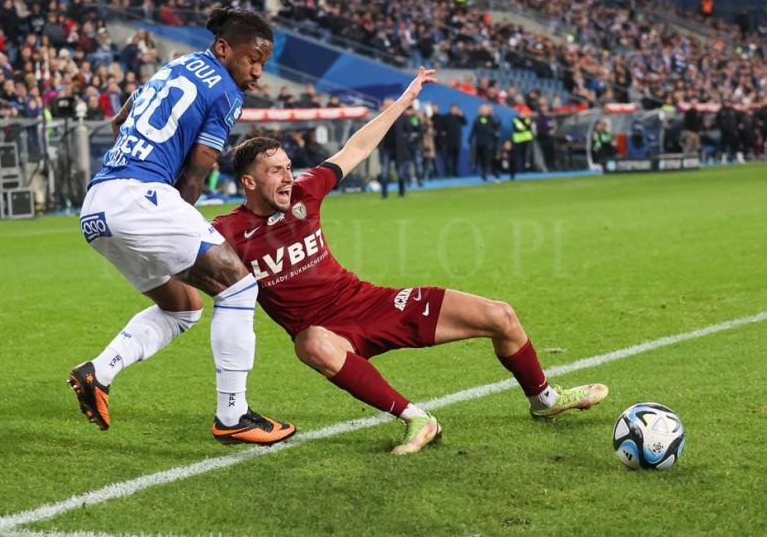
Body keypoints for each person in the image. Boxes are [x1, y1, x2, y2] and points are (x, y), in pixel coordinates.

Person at [212, 68, 608, 455]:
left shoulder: (306, 191)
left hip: (368, 302)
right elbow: (178, 257)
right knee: (310, 343)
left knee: (501, 316)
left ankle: (545, 398)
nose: (288, 176)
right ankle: (417, 419)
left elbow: (358, 147)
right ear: (249, 182)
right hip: (327, 332)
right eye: (275, 170)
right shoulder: (226, 233)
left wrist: (403, 102)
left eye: (287, 166)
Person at [68, 7, 295, 446]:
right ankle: (233, 417)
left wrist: (130, 132)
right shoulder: (226, 92)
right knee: (239, 287)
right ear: (225, 49)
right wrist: (181, 213)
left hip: (97, 205)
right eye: (253, 60)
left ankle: (99, 372)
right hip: (141, 198)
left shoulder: (177, 65)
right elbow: (196, 173)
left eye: (263, 63)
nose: (257, 73)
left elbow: (129, 110)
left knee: (185, 306)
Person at [468, 104, 501, 181]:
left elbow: (497, 130)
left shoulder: (493, 118)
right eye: (481, 110)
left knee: (490, 159)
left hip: (489, 142)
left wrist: (494, 134)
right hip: (480, 142)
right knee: (481, 158)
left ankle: (494, 172)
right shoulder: (477, 119)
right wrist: (470, 138)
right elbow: (474, 129)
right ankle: (484, 172)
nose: (483, 111)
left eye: (484, 110)